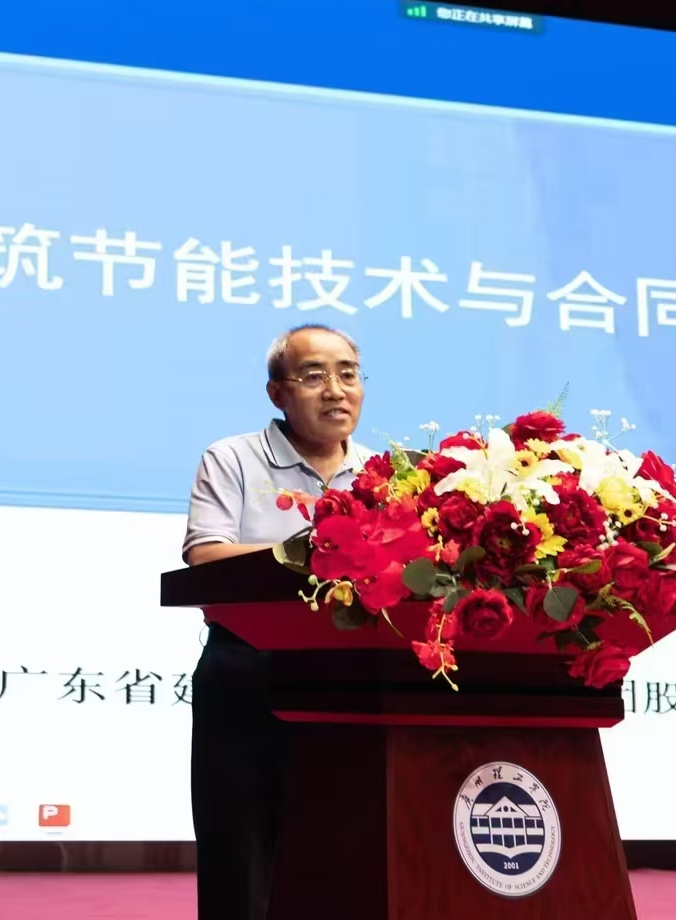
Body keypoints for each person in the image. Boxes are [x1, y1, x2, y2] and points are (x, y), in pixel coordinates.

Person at [183, 324, 373, 920]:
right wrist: (317, 553)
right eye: (314, 376)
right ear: (278, 392)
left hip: (354, 680)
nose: (335, 390)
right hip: (249, 671)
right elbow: (206, 554)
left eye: (348, 374)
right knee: (242, 856)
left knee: (347, 853)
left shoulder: (385, 473)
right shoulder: (233, 458)